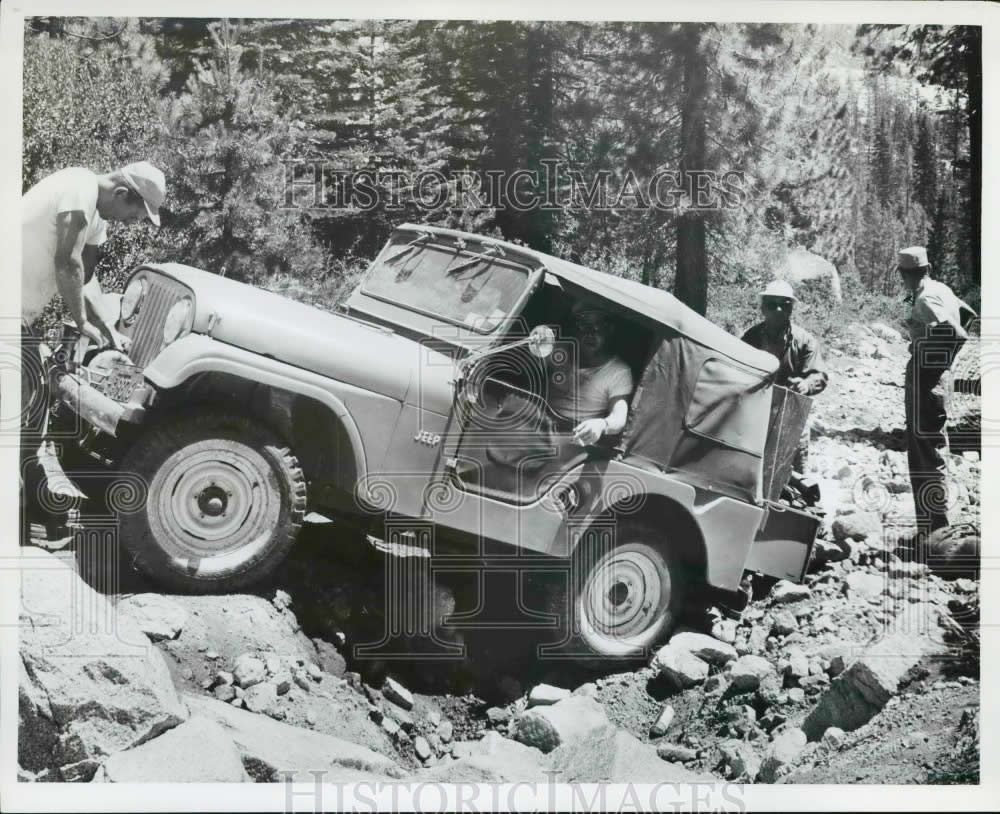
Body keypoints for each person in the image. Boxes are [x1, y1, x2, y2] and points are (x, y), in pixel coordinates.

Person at [20, 162, 165, 533]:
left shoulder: (96, 216)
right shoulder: (78, 188)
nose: (131, 223)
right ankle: (23, 504)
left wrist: (108, 330)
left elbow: (85, 277)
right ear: (121, 193)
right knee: (25, 400)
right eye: (134, 214)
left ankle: (29, 500)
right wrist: (82, 322)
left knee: (34, 401)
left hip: (20, 313)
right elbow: (67, 262)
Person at [897, 246, 975, 534]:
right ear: (927, 269)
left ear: (902, 273)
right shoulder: (941, 289)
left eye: (905, 274)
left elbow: (957, 333)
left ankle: (934, 530)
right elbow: (969, 314)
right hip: (937, 378)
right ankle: (936, 527)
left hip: (926, 379)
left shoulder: (926, 298)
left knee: (925, 455)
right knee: (934, 450)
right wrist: (945, 361)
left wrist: (926, 354)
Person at [741, 279, 828, 472]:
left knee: (796, 474)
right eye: (772, 305)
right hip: (755, 414)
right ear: (763, 308)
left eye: (785, 305)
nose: (779, 309)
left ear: (791, 309)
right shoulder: (750, 338)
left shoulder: (805, 341)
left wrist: (806, 384)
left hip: (791, 415)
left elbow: (819, 375)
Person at [546, 300, 634, 446]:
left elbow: (618, 419)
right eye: (584, 325)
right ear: (575, 328)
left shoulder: (619, 371)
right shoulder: (559, 349)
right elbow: (525, 365)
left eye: (599, 326)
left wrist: (601, 425)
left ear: (609, 330)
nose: (590, 333)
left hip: (573, 440)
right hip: (538, 424)